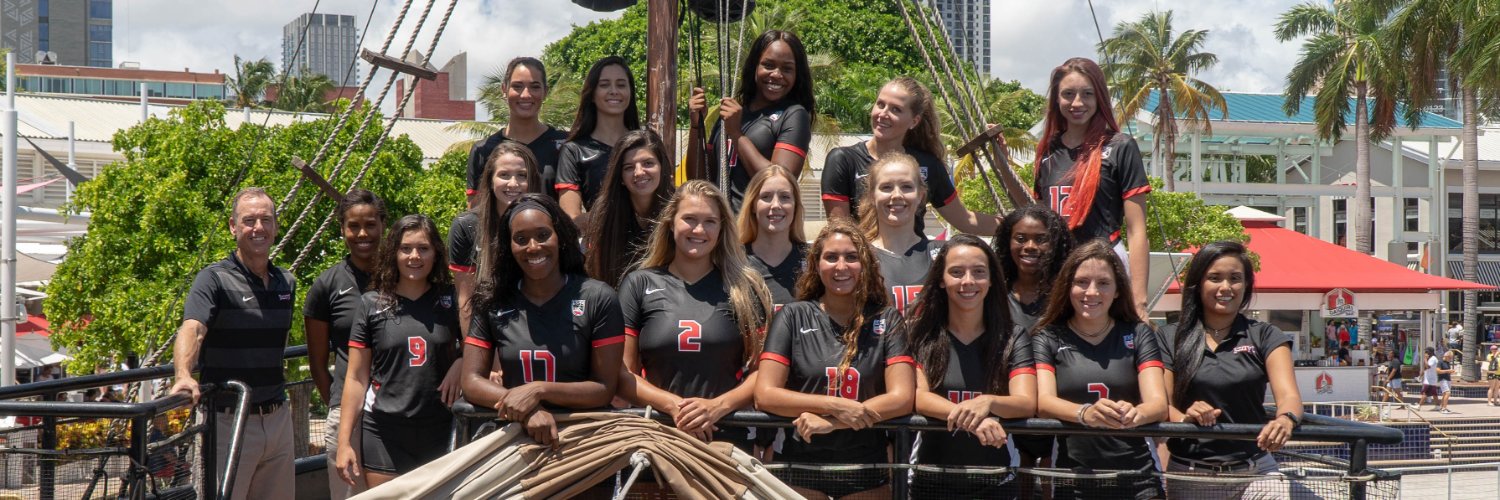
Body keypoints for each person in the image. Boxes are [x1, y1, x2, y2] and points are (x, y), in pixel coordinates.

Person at [754, 220, 915, 499]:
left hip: (865, 467)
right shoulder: (792, 316)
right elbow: (765, 394)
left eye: (851, 257)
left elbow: (902, 398)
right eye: (831, 257)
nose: (841, 266)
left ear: (865, 264)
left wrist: (833, 422)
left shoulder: (886, 318)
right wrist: (834, 405)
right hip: (799, 464)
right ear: (816, 265)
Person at [616, 180, 773, 448]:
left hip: (726, 436)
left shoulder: (744, 287)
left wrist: (717, 407)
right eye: (689, 219)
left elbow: (764, 372)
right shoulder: (638, 284)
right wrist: (675, 407)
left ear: (722, 228)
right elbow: (623, 373)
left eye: (710, 221)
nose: (699, 230)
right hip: (656, 436)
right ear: (671, 223)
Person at [460, 195, 624, 446]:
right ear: (508, 246)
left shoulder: (597, 297)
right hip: (515, 436)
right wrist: (527, 409)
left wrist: (538, 390)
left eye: (543, 235)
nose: (533, 247)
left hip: (583, 438)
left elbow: (604, 388)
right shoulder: (492, 300)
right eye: (521, 239)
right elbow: (471, 381)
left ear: (560, 237)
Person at [170, 187, 295, 500]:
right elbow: (193, 328)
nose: (258, 227)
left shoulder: (286, 283)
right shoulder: (213, 279)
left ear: (276, 226)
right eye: (249, 220)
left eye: (266, 220)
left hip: (278, 419)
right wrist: (183, 375)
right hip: (228, 421)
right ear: (233, 226)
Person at [1160, 241, 1303, 497]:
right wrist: (1184, 419)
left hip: (1257, 472)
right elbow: (1161, 404)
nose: (1226, 287)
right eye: (1215, 278)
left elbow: (1289, 396)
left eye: (1235, 279)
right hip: (1190, 475)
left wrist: (1285, 419)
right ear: (1198, 284)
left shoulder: (1267, 335)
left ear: (1246, 285)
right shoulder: (1169, 337)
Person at [1033, 239, 1167, 500]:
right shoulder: (1047, 337)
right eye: (1082, 282)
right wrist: (1086, 413)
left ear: (1118, 290)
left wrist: (1136, 413)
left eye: (1103, 283)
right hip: (1074, 480)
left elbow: (1158, 404)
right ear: (1068, 286)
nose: (1091, 292)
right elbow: (1043, 402)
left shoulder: (1139, 333)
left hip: (1139, 479)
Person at [335, 215, 463, 487]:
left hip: (440, 427)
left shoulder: (451, 299)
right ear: (393, 252)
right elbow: (356, 377)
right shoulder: (371, 303)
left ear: (436, 253)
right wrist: (344, 442)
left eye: (423, 248)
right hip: (384, 430)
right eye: (406, 248)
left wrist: (461, 362)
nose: (414, 256)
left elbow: (481, 346)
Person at [904, 235, 1036, 497]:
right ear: (941, 280)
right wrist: (973, 421)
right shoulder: (919, 334)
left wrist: (988, 402)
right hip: (931, 482)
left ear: (991, 280)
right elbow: (918, 396)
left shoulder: (1013, 336)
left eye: (978, 272)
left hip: (996, 483)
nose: (968, 281)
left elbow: (1026, 402)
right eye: (956, 272)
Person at [1032, 57, 1151, 319]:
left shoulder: (1120, 146)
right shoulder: (1047, 151)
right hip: (1058, 272)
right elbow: (1038, 217)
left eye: (1087, 94)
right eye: (1068, 94)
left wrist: (1140, 300)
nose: (1077, 103)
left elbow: (1137, 230)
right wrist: (1001, 161)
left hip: (1106, 268)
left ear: (1100, 98)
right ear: (1056, 100)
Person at [822, 76, 997, 236]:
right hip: (865, 257)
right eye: (880, 104)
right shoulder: (843, 160)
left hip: (916, 257)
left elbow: (965, 220)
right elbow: (841, 232)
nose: (883, 114)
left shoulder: (928, 165)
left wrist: (1011, 226)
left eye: (896, 110)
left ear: (914, 121)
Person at [304, 189, 387, 499]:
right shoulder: (326, 286)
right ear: (342, 229)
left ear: (383, 225)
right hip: (349, 414)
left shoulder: (404, 277)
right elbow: (317, 364)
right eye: (353, 226)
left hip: (399, 411)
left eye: (370, 224)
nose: (362, 234)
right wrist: (341, 408)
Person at [687, 30, 815, 210]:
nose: (776, 74)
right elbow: (698, 180)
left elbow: (779, 183)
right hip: (721, 224)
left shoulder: (794, 114)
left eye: (787, 69)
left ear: (797, 75)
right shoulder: (733, 113)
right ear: (754, 66)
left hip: (757, 226)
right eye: (768, 65)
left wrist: (736, 135)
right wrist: (696, 127)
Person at [450, 141, 543, 340]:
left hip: (538, 329)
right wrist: (474, 352)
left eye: (522, 175)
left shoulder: (549, 224)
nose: (513, 183)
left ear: (533, 180)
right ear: (490, 180)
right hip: (488, 333)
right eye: (504, 175)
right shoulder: (466, 226)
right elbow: (466, 301)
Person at [466, 57, 568, 204]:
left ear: (545, 91)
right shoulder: (483, 150)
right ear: (504, 89)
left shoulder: (565, 146)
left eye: (535, 87)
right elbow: (476, 211)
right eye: (517, 86)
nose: (526, 95)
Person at [583, 129, 675, 288]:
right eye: (629, 167)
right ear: (620, 177)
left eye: (648, 163)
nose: (639, 172)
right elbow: (598, 274)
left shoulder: (679, 208)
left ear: (662, 167)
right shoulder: (606, 211)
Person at [557, 56, 641, 222]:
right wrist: (614, 221)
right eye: (604, 85)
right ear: (592, 94)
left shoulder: (646, 143)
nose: (614, 91)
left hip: (649, 238)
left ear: (630, 92)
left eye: (621, 85)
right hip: (598, 238)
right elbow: (571, 219)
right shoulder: (573, 151)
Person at [859, 153, 937, 313]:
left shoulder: (941, 255)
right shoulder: (858, 257)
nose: (896, 195)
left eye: (906, 186)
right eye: (886, 187)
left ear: (920, 196)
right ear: (872, 196)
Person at [993, 204, 1074, 334]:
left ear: (1056, 244)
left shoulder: (1068, 294)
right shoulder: (994, 293)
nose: (1030, 246)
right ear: (1008, 242)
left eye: (1041, 239)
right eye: (1020, 239)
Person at [738, 164, 808, 310]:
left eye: (785, 197)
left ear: (795, 206)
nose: (776, 205)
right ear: (753, 205)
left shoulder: (813, 261)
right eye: (766, 197)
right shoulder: (733, 261)